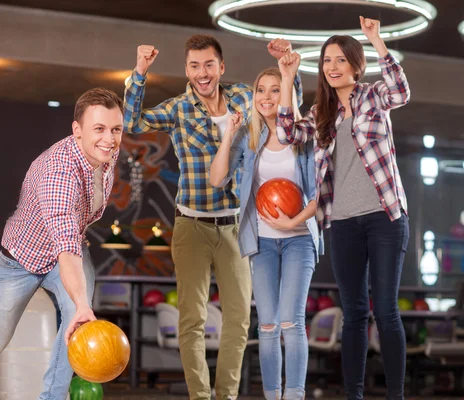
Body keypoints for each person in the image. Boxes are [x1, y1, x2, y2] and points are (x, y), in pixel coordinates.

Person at [123, 35, 300, 400]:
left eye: (208, 65)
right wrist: (139, 71)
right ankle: (201, 397)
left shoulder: (242, 97)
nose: (201, 73)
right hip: (191, 226)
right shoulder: (177, 109)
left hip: (235, 225)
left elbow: (285, 106)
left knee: (238, 320)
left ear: (221, 67)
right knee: (193, 321)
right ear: (187, 71)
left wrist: (289, 69)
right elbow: (131, 123)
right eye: (194, 66)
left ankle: (227, 396)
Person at [0, 88, 124, 400]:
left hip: (71, 247)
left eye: (116, 129)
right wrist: (81, 303)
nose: (110, 138)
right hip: (23, 259)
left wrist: (140, 73)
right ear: (77, 131)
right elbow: (64, 247)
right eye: (99, 129)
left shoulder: (106, 150)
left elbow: (69, 240)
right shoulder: (58, 174)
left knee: (75, 327)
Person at [277, 16, 411, 400]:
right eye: (326, 61)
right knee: (353, 315)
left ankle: (395, 395)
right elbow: (287, 132)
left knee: (385, 311)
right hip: (343, 223)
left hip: (385, 217)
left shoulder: (373, 97)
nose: (332, 67)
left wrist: (377, 40)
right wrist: (288, 79)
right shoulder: (322, 115)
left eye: (339, 60)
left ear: (355, 64)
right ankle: (353, 395)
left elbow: (400, 91)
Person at [209, 65, 321, 400]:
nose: (267, 96)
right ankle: (273, 396)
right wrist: (229, 133)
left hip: (300, 239)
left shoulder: (303, 138)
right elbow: (217, 179)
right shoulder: (249, 137)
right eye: (261, 90)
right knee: (268, 325)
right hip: (262, 242)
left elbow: (319, 195)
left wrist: (292, 221)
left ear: (286, 95)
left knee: (291, 321)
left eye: (275, 90)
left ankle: (295, 395)